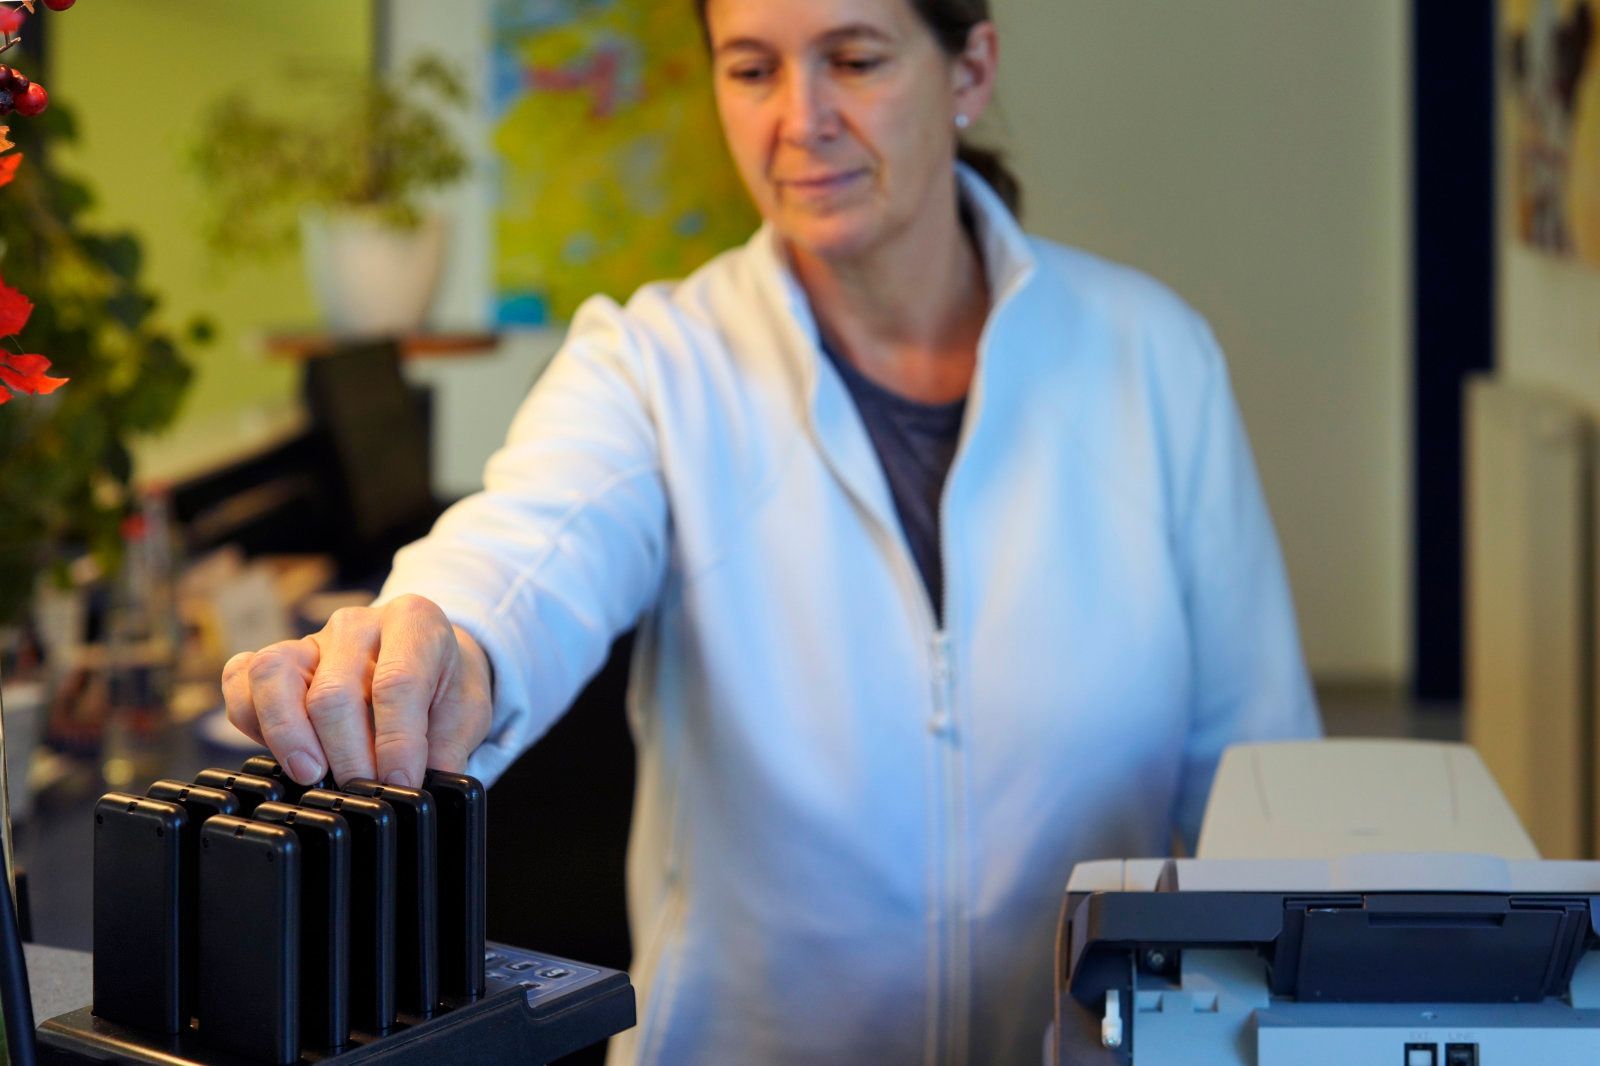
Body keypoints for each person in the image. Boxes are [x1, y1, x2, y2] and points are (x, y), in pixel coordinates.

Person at [222, 0, 1321, 1062]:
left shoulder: (1149, 361)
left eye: (855, 59)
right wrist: (433, 645)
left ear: (969, 71)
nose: (800, 118)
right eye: (752, 68)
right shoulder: (656, 365)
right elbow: (524, 551)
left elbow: (1263, 781)